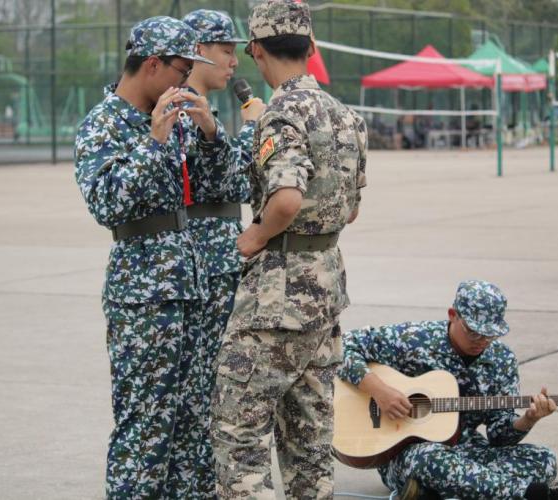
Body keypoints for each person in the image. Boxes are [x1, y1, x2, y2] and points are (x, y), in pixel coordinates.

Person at [210, 1, 367, 498]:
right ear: (311, 46)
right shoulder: (347, 117)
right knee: (309, 440)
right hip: (325, 291)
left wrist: (253, 237)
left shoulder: (280, 115)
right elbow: (351, 209)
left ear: (256, 50)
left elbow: (286, 198)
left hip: (277, 298)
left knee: (238, 430)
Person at [74, 17, 234, 498]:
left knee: (193, 418)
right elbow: (107, 203)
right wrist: (154, 142)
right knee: (145, 423)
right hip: (143, 296)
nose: (186, 81)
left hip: (192, 286)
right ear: (150, 65)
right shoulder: (102, 123)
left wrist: (210, 134)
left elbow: (222, 187)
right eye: (181, 70)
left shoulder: (179, 116)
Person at [338, 280, 558, 500]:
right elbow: (340, 346)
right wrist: (380, 390)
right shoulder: (414, 339)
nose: (481, 341)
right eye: (473, 332)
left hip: (468, 450)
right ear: (453, 315)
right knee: (430, 459)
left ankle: (436, 492)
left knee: (543, 459)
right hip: (409, 454)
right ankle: (536, 495)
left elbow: (499, 437)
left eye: (490, 335)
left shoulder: (502, 359)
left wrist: (528, 419)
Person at [180, 8, 266, 494]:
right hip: (206, 263)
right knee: (207, 387)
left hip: (216, 259)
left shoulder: (200, 108)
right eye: (225, 50)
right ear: (197, 51)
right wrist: (254, 129)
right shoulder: (187, 110)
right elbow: (232, 182)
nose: (234, 62)